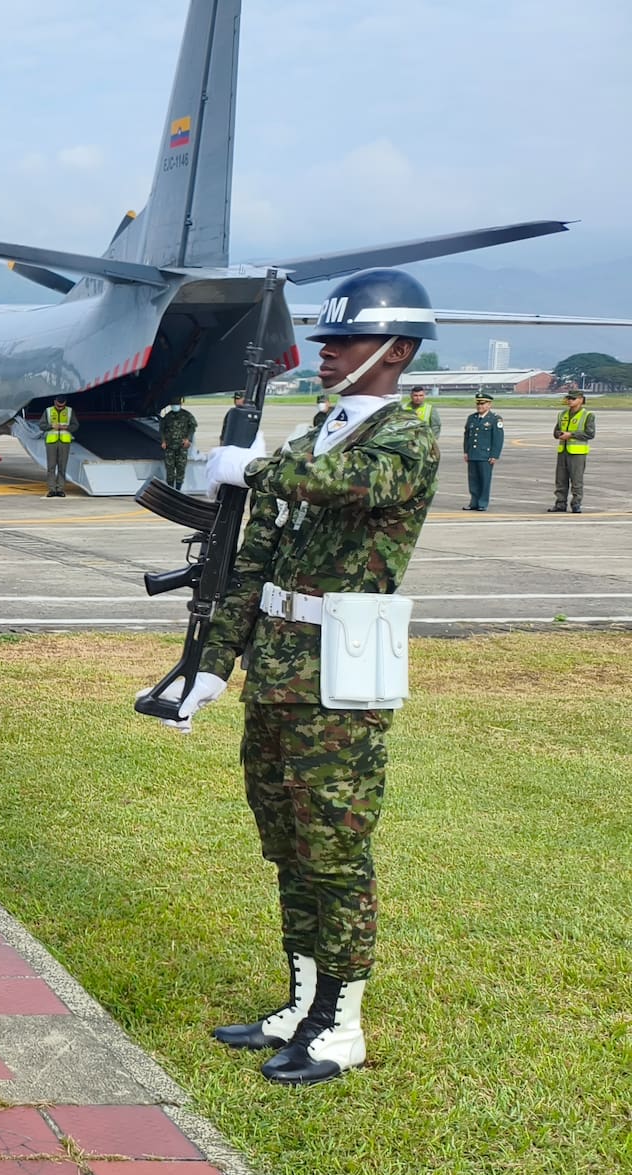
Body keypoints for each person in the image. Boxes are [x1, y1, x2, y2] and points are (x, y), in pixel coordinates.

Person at [174, 268, 440, 1086]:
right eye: (326, 340)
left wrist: (249, 469)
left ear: (396, 352)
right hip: (280, 673)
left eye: (347, 340)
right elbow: (251, 562)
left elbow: (349, 487)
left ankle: (342, 1025)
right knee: (289, 845)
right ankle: (302, 1005)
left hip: (343, 678)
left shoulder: (406, 439)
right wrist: (212, 664)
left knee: (336, 850)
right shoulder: (310, 437)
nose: (327, 353)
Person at [548, 387, 595, 513]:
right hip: (563, 451)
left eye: (573, 399)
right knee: (560, 479)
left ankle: (576, 504)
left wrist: (571, 435)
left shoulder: (587, 415)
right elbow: (556, 431)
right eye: (568, 398)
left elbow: (590, 433)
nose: (569, 401)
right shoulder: (562, 414)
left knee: (576, 480)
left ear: (581, 400)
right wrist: (559, 434)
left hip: (577, 453)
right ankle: (560, 503)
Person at [462, 392, 504, 511]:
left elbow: (498, 439)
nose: (480, 406)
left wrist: (494, 455)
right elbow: (467, 436)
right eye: (478, 404)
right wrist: (466, 451)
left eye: (483, 404)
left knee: (485, 480)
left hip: (485, 455)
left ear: (489, 405)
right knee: (473, 480)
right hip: (473, 454)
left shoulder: (494, 419)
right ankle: (474, 502)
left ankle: (482, 503)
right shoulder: (472, 418)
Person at [38, 396, 78, 497]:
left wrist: (67, 427)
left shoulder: (69, 411)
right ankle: (52, 489)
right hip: (51, 442)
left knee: (62, 466)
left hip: (64, 442)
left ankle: (60, 489)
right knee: (51, 467)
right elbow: (41, 425)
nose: (60, 408)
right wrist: (51, 426)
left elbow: (75, 425)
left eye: (62, 406)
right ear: (55, 402)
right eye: (58, 406)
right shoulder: (48, 411)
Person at [159, 397, 197, 490]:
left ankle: (178, 489)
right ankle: (170, 489)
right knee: (170, 470)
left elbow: (193, 427)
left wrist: (188, 439)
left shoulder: (187, 415)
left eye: (176, 404)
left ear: (180, 404)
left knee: (180, 469)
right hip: (169, 447)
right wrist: (163, 441)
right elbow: (162, 429)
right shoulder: (167, 417)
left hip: (182, 447)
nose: (175, 406)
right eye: (173, 405)